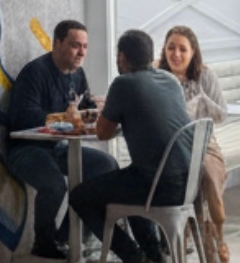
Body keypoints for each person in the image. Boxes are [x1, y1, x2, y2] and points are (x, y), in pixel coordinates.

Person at [70, 29, 194, 263]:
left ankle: (133, 257)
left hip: (160, 186)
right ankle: (154, 256)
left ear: (122, 57)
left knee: (79, 196)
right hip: (189, 182)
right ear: (152, 56)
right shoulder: (170, 80)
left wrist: (109, 110)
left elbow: (103, 133)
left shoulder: (123, 84)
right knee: (132, 183)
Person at [3, 20, 119, 259]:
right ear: (57, 43)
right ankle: (43, 244)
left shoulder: (78, 74)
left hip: (58, 147)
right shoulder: (35, 72)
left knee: (107, 166)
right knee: (55, 185)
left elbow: (81, 110)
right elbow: (23, 117)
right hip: (25, 149)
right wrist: (61, 117)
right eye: (75, 45)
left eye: (85, 46)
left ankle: (67, 237)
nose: (82, 53)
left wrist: (97, 109)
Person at [158, 26, 231, 263]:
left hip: (204, 142)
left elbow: (221, 115)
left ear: (193, 52)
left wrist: (201, 98)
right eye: (171, 48)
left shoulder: (205, 76)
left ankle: (217, 232)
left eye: (182, 49)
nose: (176, 54)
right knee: (184, 177)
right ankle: (180, 242)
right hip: (170, 146)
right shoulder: (159, 76)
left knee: (206, 172)